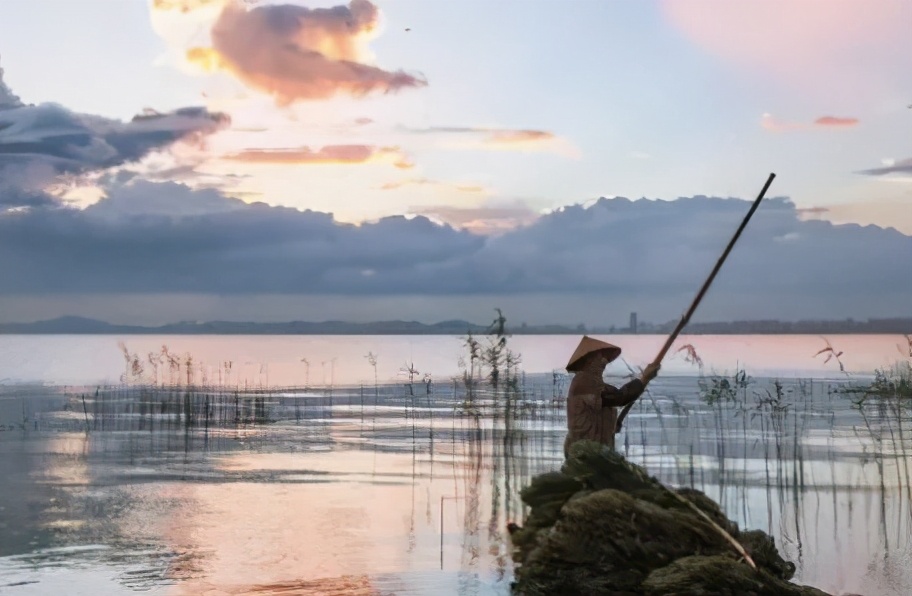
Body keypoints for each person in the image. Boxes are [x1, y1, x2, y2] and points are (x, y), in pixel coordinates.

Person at [564, 335, 660, 456]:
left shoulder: (597, 385)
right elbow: (619, 397)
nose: (604, 361)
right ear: (589, 359)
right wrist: (644, 378)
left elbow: (612, 400)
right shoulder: (583, 382)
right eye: (601, 356)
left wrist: (613, 423)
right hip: (584, 453)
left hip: (598, 451)